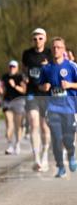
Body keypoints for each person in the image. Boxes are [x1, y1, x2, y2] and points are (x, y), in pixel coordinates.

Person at [38, 37, 77, 177]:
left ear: (64, 49)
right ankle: (60, 166)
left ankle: (72, 155)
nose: (56, 49)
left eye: (59, 47)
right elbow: (40, 85)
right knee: (56, 138)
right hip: (53, 108)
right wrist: (44, 87)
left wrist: (70, 85)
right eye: (54, 47)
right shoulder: (46, 68)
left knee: (68, 139)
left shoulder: (71, 66)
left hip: (69, 108)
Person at [23, 28, 53, 172]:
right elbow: (24, 70)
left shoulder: (50, 54)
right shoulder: (27, 54)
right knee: (33, 124)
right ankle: (36, 159)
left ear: (45, 39)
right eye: (35, 38)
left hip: (46, 95)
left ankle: (45, 155)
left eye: (40, 38)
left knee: (44, 127)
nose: (37, 41)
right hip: (32, 93)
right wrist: (24, 78)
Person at [1, 60, 27, 155]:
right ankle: (10, 145)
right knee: (9, 124)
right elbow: (2, 88)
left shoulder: (20, 77)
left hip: (18, 101)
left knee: (18, 125)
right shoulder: (5, 77)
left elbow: (24, 91)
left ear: (17, 68)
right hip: (7, 101)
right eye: (10, 66)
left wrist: (15, 86)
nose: (12, 68)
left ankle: (17, 144)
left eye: (14, 67)